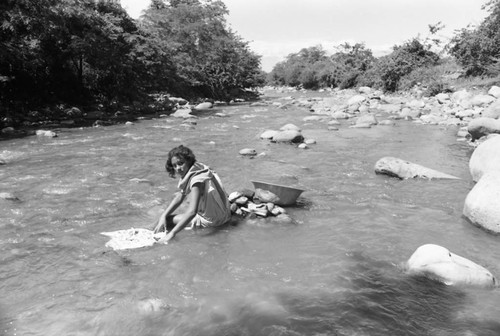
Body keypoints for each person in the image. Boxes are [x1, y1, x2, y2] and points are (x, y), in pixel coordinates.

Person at [153, 145, 231, 243]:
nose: (178, 168)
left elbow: (192, 212)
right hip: (225, 214)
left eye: (181, 163)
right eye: (175, 165)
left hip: (214, 221)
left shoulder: (196, 180)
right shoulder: (199, 168)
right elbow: (180, 196)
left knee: (167, 221)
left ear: (189, 161)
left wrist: (172, 233)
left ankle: (151, 236)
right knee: (163, 218)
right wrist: (163, 215)